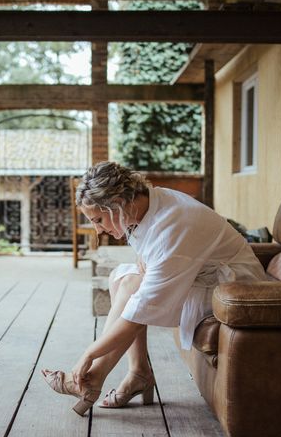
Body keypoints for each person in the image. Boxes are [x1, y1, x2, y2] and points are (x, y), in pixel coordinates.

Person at [41, 161, 266, 416]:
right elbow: (146, 266)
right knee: (122, 280)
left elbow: (142, 311)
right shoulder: (149, 204)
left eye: (99, 219)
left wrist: (89, 352)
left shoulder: (173, 226)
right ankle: (138, 372)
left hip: (234, 291)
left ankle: (93, 379)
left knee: (133, 289)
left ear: (117, 202)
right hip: (201, 277)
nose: (98, 230)